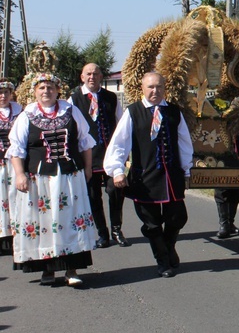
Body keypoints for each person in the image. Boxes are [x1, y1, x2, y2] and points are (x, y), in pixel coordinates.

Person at [7, 73, 97, 286]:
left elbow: (85, 142)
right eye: (41, 88)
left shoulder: (71, 110)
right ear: (34, 91)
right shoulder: (26, 115)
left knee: (70, 221)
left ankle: (71, 268)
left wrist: (88, 168)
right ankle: (47, 269)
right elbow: (17, 150)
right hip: (40, 180)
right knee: (44, 222)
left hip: (69, 177)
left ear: (58, 90)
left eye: (50, 87)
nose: (46, 91)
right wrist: (19, 174)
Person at [103, 72, 194, 278]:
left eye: (159, 87)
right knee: (152, 223)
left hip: (171, 176)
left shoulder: (173, 111)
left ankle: (169, 247)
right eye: (151, 87)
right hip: (145, 176)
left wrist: (187, 169)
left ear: (165, 88)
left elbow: (184, 142)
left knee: (178, 217)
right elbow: (119, 143)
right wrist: (117, 170)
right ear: (143, 88)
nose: (155, 91)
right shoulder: (133, 112)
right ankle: (163, 261)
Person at [68, 63, 129, 248]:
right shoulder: (74, 100)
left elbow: (121, 125)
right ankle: (102, 233)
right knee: (93, 196)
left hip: (110, 155)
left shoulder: (110, 97)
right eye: (88, 74)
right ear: (82, 76)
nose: (92, 77)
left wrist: (124, 154)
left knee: (115, 192)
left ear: (101, 76)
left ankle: (117, 229)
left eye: (95, 73)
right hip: (89, 157)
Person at [214, 134, 239, 239]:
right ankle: (223, 224)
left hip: (238, 160)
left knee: (236, 193)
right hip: (221, 160)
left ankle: (230, 223)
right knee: (221, 192)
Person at [0, 79, 22, 255]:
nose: (3, 96)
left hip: (13, 162)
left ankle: (15, 234)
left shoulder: (19, 110)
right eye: (0, 93)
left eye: (6, 92)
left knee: (14, 196)